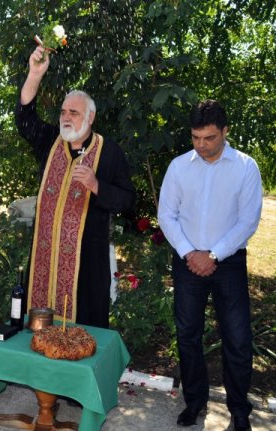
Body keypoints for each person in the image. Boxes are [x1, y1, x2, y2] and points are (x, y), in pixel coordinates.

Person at [158, 100, 262, 431]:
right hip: (187, 261)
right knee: (188, 335)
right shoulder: (178, 167)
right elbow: (166, 216)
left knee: (237, 337)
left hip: (228, 263)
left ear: (225, 132)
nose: (202, 145)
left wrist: (213, 254)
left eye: (210, 138)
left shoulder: (246, 167)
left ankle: (239, 410)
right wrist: (191, 253)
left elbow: (248, 221)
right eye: (196, 137)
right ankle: (195, 403)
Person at [16, 46, 135, 328]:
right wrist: (35, 74)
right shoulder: (49, 141)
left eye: (74, 112)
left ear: (90, 118)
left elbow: (129, 202)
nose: (66, 117)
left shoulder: (109, 152)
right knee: (40, 331)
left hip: (87, 267)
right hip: (45, 258)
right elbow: (24, 120)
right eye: (63, 111)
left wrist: (97, 186)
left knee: (84, 332)